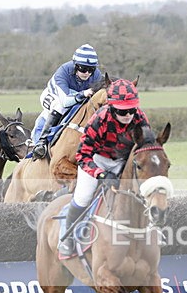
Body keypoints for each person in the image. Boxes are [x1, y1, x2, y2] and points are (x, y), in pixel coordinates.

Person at [58, 78, 152, 256]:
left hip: (124, 161)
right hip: (97, 159)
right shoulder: (99, 120)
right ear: (111, 107)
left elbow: (146, 147)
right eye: (122, 111)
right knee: (84, 197)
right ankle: (67, 237)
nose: (128, 116)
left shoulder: (140, 118)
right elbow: (82, 155)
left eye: (131, 110)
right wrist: (101, 175)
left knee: (145, 192)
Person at [31, 43, 103, 160]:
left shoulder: (96, 75)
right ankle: (42, 141)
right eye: (83, 69)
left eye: (91, 70)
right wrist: (84, 93)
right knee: (60, 107)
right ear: (75, 65)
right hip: (54, 96)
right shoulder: (63, 71)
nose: (87, 73)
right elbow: (65, 101)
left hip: (76, 98)